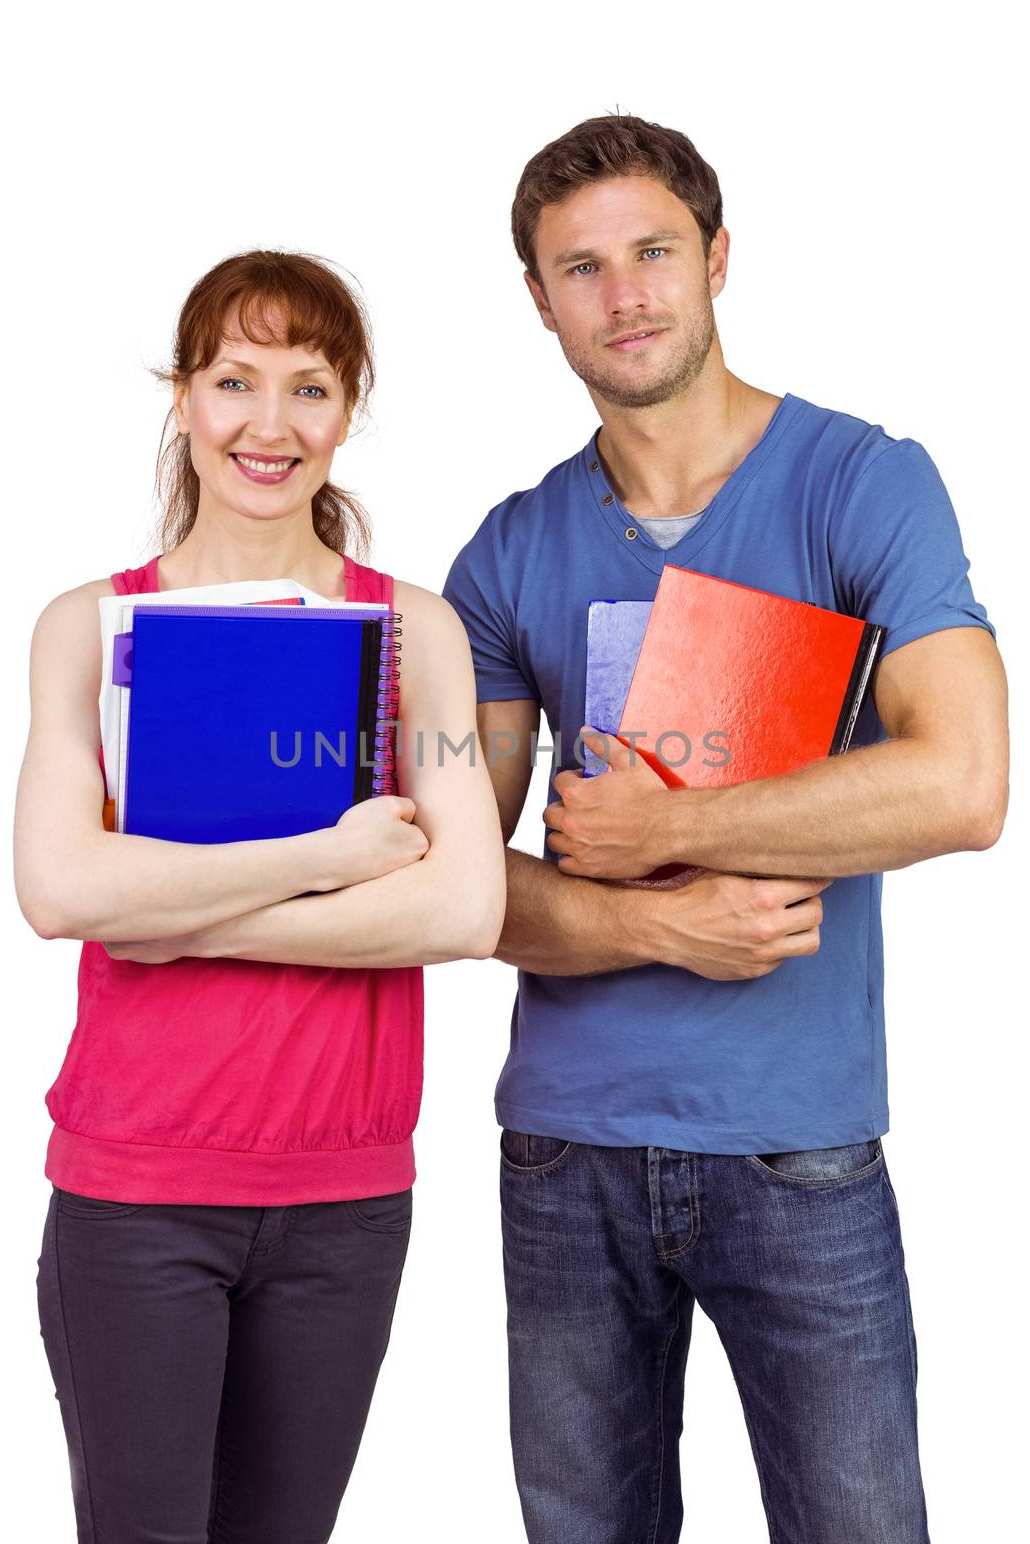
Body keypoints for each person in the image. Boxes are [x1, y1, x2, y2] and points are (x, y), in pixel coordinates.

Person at [443, 116, 1009, 1543]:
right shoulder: (511, 549)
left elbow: (965, 782)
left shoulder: (861, 482)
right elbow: (459, 878)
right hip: (564, 1156)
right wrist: (648, 914)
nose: (623, 292)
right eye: (580, 267)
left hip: (797, 1150)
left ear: (717, 260)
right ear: (537, 296)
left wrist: (671, 822)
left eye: (652, 252)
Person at [14, 249, 505, 1544]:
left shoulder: (423, 640)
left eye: (310, 387)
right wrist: (323, 857)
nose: (269, 425)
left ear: (351, 410)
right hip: (134, 1199)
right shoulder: (86, 627)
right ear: (183, 397)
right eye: (235, 381)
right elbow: (59, 888)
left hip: (345, 1203)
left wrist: (166, 912)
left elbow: (464, 908)